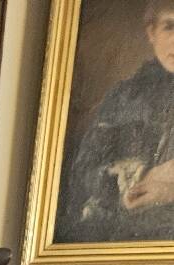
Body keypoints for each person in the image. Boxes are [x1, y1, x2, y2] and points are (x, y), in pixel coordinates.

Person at [58, 0, 174, 242]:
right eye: (169, 27)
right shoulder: (124, 97)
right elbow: (84, 172)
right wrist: (133, 177)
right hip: (119, 239)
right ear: (151, 32)